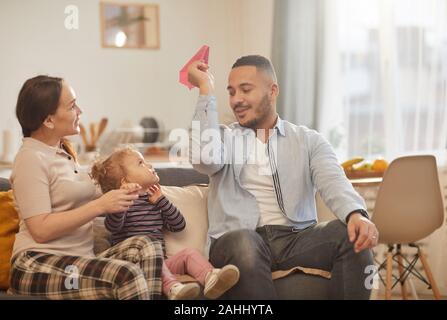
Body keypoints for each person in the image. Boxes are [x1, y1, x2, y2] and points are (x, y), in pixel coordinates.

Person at [187, 55, 379, 299]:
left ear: (272, 91)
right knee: (245, 243)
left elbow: (333, 181)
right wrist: (206, 89)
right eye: (231, 92)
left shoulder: (308, 140)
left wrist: (355, 214)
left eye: (246, 90)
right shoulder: (223, 138)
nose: (237, 100)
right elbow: (204, 159)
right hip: (238, 238)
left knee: (350, 236)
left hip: (295, 238)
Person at [9, 75, 164, 300]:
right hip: (36, 264)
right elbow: (40, 230)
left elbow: (96, 190)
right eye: (72, 106)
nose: (79, 110)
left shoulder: (63, 153)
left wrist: (130, 185)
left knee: (147, 246)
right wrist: (100, 206)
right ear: (49, 120)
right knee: (126, 274)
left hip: (78, 261)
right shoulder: (30, 158)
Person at [90, 147, 240, 300]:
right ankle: (173, 288)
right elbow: (113, 226)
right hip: (134, 264)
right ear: (125, 181)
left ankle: (211, 278)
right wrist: (124, 199)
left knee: (189, 254)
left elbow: (179, 225)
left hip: (160, 263)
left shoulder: (155, 200)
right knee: (154, 256)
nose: (150, 166)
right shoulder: (120, 203)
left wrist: (161, 201)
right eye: (141, 163)